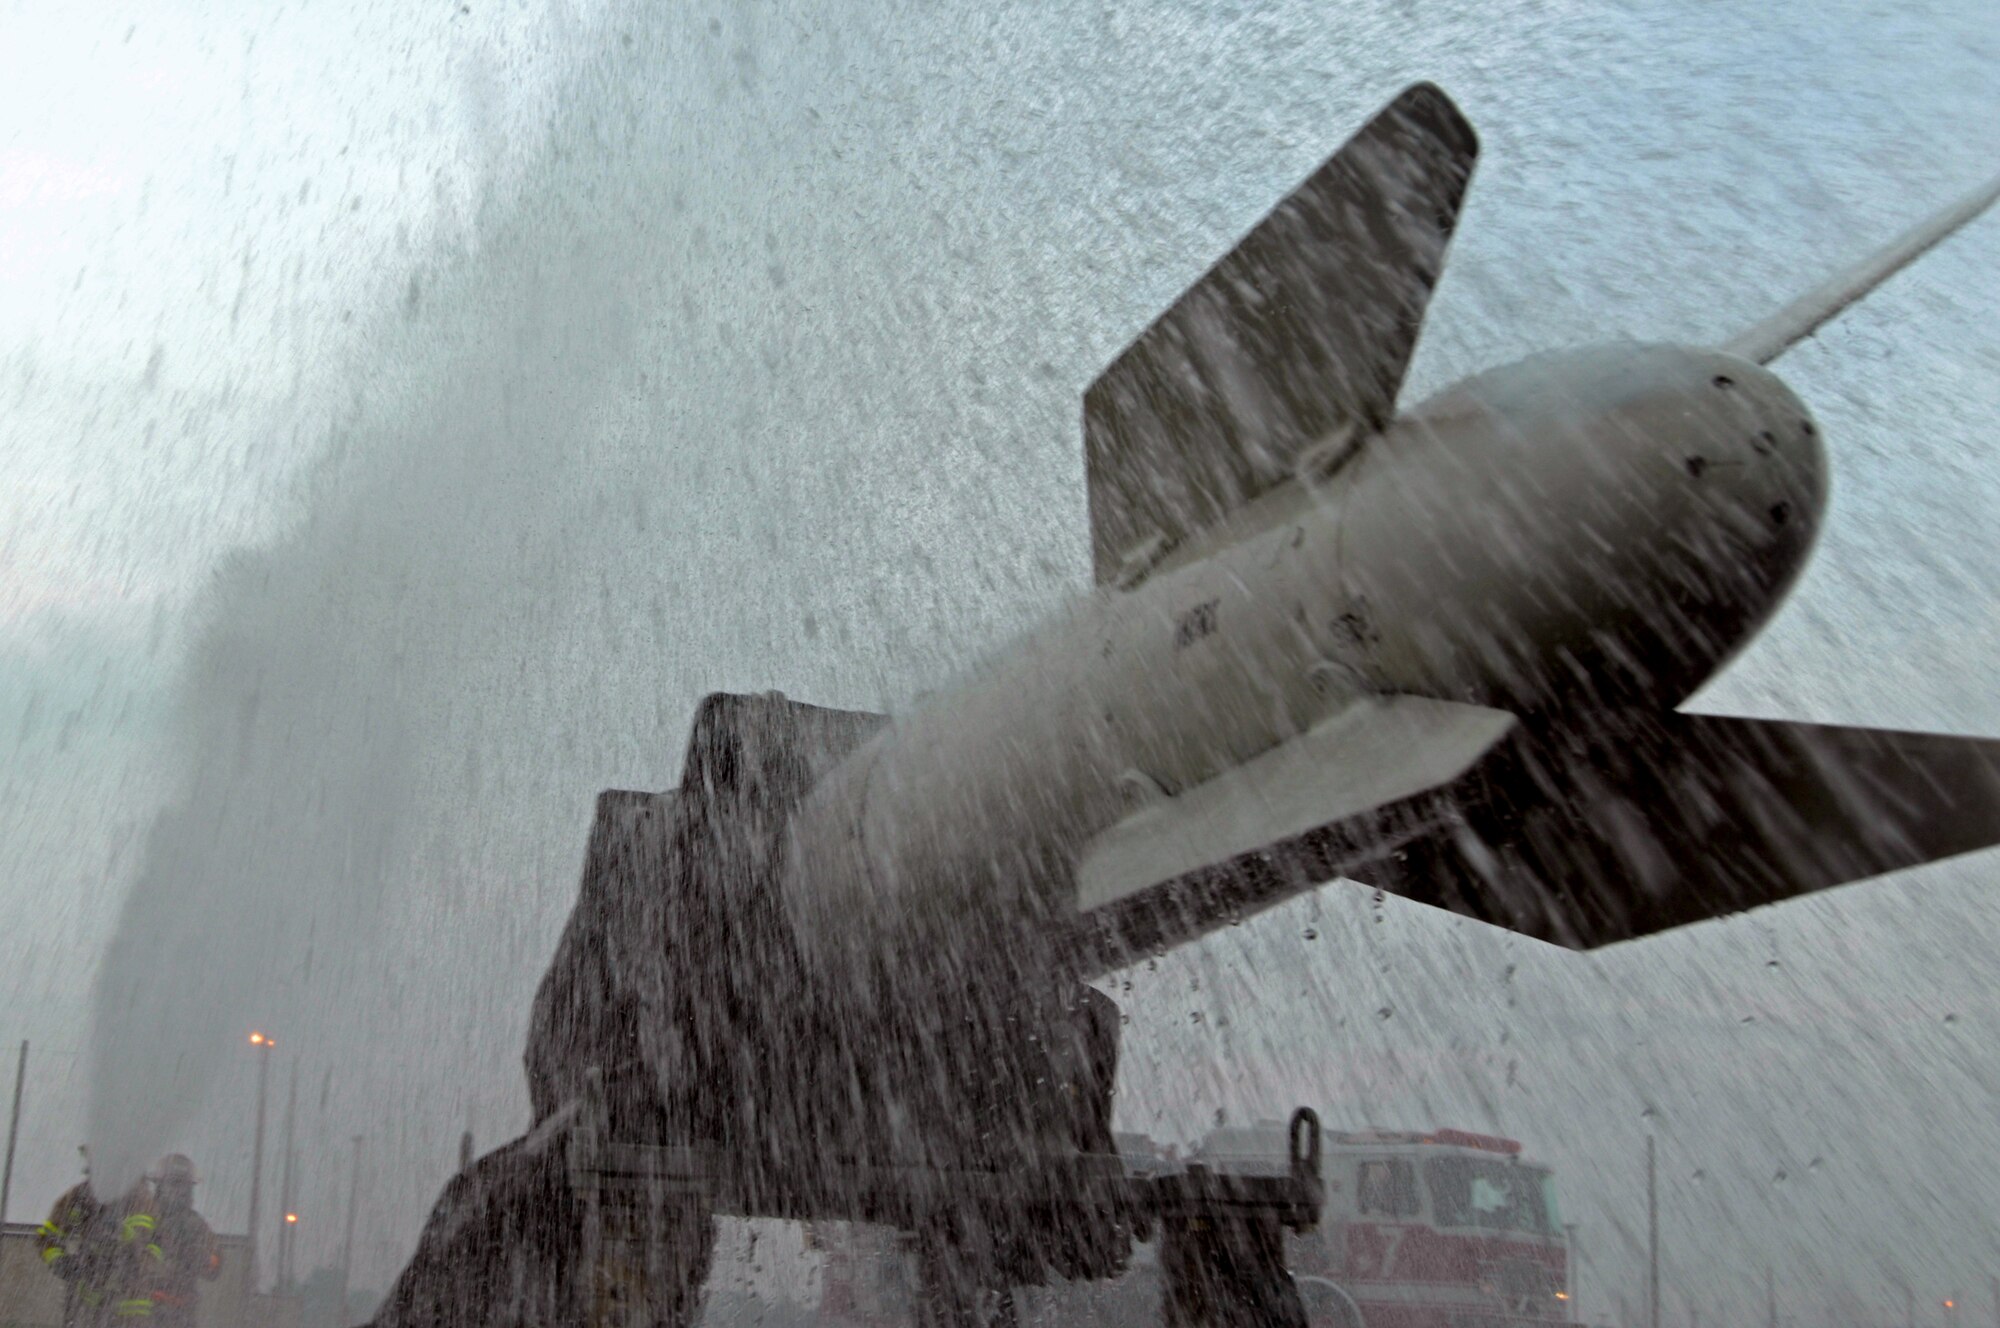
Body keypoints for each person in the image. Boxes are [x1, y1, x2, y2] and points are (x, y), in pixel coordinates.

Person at [38, 1155, 162, 1326]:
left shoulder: (140, 1199)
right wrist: (61, 1262)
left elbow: (155, 1245)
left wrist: (132, 1257)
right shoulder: (78, 1196)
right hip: (86, 1302)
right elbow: (47, 1236)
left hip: (130, 1306)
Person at [144, 1155, 221, 1328]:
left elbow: (214, 1267)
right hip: (148, 1313)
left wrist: (198, 1256)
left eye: (183, 1186)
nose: (179, 1192)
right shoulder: (145, 1218)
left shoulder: (196, 1225)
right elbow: (127, 1258)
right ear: (160, 1186)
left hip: (182, 1314)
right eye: (174, 1185)